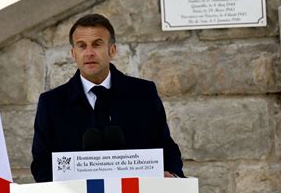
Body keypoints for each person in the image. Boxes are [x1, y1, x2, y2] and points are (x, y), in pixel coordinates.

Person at [31, 13, 184, 182]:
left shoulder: (143, 93)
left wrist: (172, 175)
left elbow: (165, 147)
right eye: (82, 46)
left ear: (112, 50)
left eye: (97, 44)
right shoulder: (52, 103)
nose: (89, 53)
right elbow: (42, 163)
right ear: (73, 53)